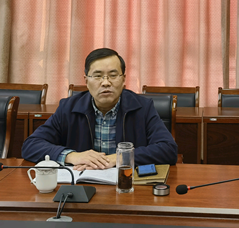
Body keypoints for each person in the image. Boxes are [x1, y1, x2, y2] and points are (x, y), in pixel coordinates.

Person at [22, 48, 178, 169]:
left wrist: (118, 158)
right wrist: (73, 156)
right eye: (97, 76)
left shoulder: (143, 107)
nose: (105, 82)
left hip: (125, 184)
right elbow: (31, 145)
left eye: (113, 75)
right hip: (81, 185)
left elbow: (168, 149)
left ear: (123, 79)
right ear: (86, 81)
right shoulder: (68, 108)